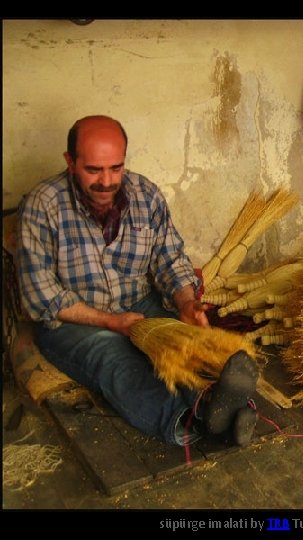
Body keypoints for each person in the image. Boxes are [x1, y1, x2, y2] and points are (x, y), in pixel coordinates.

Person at [16, 115, 258, 447]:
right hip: (74, 321)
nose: (106, 181)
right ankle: (187, 425)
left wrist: (186, 303)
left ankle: (217, 407)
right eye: (93, 170)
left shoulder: (146, 195)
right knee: (115, 358)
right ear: (70, 162)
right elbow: (41, 298)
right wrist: (110, 322)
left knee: (184, 343)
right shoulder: (42, 206)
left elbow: (170, 261)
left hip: (138, 303)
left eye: (115, 168)